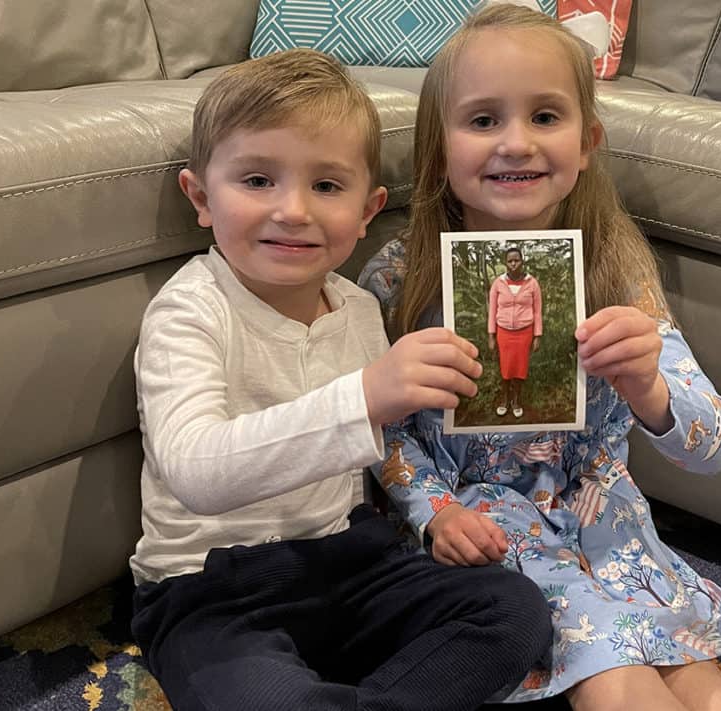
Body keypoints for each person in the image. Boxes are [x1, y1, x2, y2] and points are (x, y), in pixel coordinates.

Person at [127, 47, 553, 711]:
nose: (293, 210)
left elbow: (379, 443)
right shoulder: (189, 310)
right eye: (257, 180)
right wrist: (363, 397)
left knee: (515, 611)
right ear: (200, 197)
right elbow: (195, 470)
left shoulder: (354, 305)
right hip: (212, 592)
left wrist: (436, 510)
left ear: (366, 210)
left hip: (352, 561)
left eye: (326, 186)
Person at [359, 5, 721, 711]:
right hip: (482, 521)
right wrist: (435, 513)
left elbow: (715, 442)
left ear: (587, 142)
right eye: (483, 121)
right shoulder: (400, 278)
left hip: (601, 519)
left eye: (546, 116)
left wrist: (648, 387)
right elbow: (383, 432)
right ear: (437, 150)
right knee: (615, 673)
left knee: (699, 675)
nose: (517, 143)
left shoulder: (616, 271)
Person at [488, 247, 542, 418]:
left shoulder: (532, 283)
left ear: (522, 261)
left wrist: (537, 335)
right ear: (506, 263)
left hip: (524, 333)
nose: (513, 264)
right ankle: (505, 400)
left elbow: (537, 311)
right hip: (503, 333)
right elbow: (492, 310)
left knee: (520, 369)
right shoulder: (498, 283)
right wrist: (491, 335)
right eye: (510, 261)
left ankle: (517, 401)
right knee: (505, 368)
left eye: (516, 260)